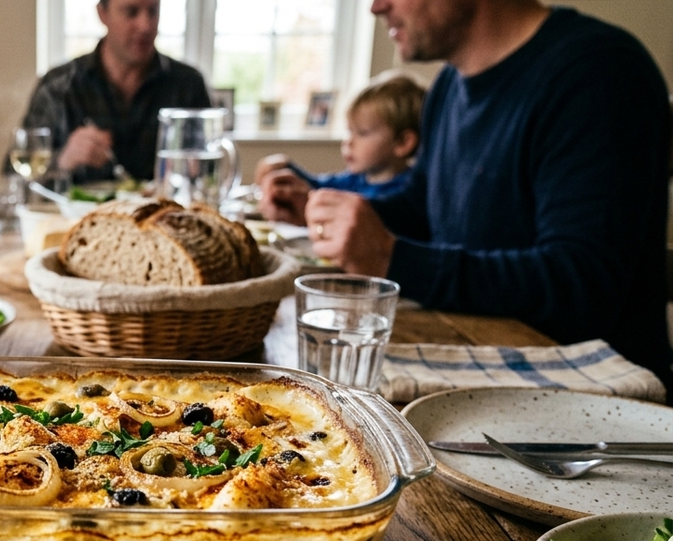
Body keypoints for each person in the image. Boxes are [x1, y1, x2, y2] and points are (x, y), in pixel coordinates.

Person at [260, 0, 672, 389]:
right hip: (485, 361)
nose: (376, 6)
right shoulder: (449, 85)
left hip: (592, 397)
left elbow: (582, 283)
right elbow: (423, 208)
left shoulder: (598, 71)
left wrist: (391, 257)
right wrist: (323, 212)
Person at [19, 0, 211, 183]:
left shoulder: (188, 84)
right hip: (76, 207)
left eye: (153, 11)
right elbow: (16, 177)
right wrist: (62, 160)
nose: (145, 26)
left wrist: (198, 170)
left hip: (163, 206)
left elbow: (211, 171)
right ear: (102, 14)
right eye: (131, 12)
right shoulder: (58, 85)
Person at [254, 74, 426, 201]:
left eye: (362, 133)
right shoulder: (354, 180)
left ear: (403, 143)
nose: (348, 142)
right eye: (349, 131)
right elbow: (316, 186)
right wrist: (286, 166)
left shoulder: (410, 193)